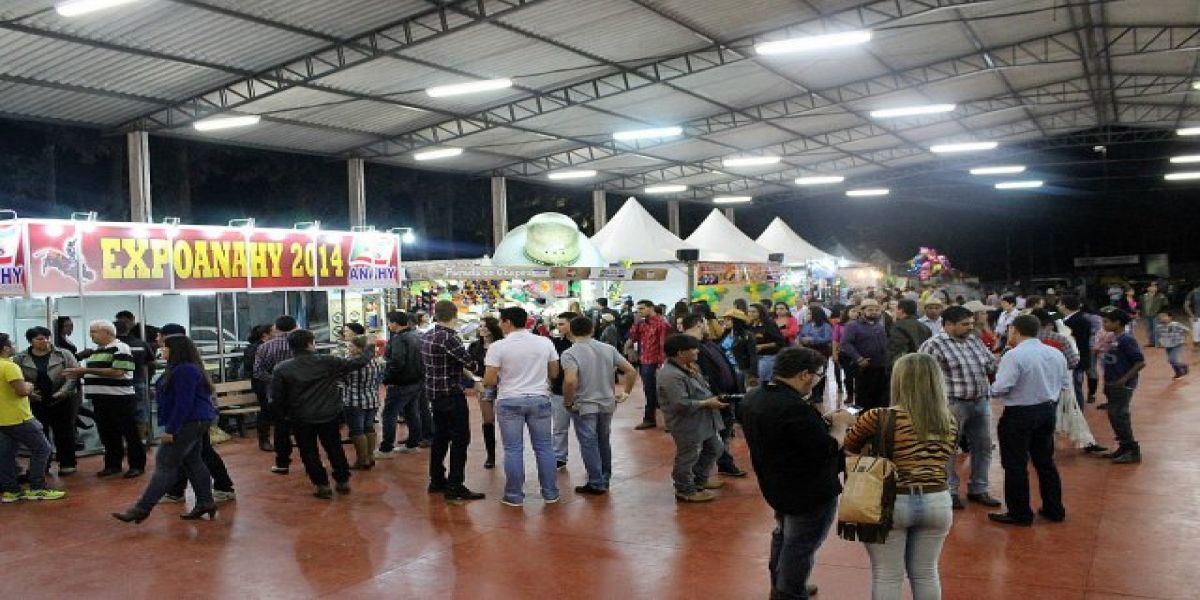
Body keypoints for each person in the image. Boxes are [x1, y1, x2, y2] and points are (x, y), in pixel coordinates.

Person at [845, 353, 958, 600]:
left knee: (887, 575)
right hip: (937, 500)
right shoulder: (948, 419)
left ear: (898, 381)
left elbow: (850, 445)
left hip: (890, 501)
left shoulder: (878, 416)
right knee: (926, 573)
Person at [740, 347, 851, 599]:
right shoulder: (794, 408)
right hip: (809, 490)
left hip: (776, 483)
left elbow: (789, 436)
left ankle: (781, 584)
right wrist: (841, 426)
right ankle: (789, 591)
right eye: (819, 375)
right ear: (804, 375)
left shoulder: (755, 397)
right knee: (801, 546)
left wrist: (820, 423)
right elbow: (827, 447)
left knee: (784, 535)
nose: (818, 381)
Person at [112, 334, 216, 523]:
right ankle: (205, 502)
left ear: (176, 350)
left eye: (165, 347)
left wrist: (171, 430)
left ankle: (141, 509)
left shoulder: (184, 370)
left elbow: (184, 403)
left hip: (189, 421)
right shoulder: (182, 367)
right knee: (193, 461)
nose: (161, 350)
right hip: (195, 420)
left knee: (165, 464)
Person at [987, 315, 1069, 526]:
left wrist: (988, 390)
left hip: (1019, 414)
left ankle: (1020, 513)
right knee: (1045, 462)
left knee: (1015, 464)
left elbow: (1002, 387)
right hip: (1047, 410)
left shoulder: (1014, 355)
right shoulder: (1055, 353)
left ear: (1015, 330)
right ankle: (1054, 509)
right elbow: (1064, 383)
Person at [918, 305, 1001, 510]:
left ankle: (979, 489)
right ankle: (950, 491)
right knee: (948, 448)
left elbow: (990, 365)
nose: (970, 327)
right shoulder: (933, 345)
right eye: (965, 324)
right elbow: (923, 377)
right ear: (948, 324)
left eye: (971, 323)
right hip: (952, 404)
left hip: (980, 402)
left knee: (982, 446)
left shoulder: (974, 341)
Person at [270, 329, 370, 499]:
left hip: (301, 417)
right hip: (329, 414)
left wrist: (285, 417)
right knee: (334, 447)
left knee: (308, 452)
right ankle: (342, 480)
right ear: (311, 343)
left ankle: (321, 485)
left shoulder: (282, 368)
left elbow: (277, 398)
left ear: (291, 346)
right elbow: (358, 362)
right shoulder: (328, 361)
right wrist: (370, 347)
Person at [484, 306, 560, 507]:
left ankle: (514, 495)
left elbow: (489, 379)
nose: (499, 325)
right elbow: (554, 372)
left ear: (508, 322)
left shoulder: (498, 346)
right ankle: (551, 493)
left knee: (513, 449)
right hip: (539, 399)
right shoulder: (545, 342)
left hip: (509, 400)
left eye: (501, 321)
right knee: (544, 447)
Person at [561, 316, 637, 495]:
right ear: (593, 330)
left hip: (584, 404)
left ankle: (595, 482)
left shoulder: (569, 353)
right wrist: (626, 392)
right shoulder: (608, 349)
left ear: (571, 331)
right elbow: (631, 370)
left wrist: (568, 401)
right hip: (607, 402)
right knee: (603, 440)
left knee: (588, 442)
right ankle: (605, 477)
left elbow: (570, 381)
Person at [421, 300, 485, 501]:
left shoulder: (427, 335)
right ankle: (455, 485)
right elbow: (471, 364)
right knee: (460, 439)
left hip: (435, 394)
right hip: (452, 394)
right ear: (455, 316)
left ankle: (436, 480)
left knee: (440, 438)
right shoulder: (449, 338)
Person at [63, 320, 144, 478]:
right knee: (107, 433)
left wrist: (85, 370)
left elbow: (118, 371)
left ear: (107, 333)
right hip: (101, 399)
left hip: (120, 398)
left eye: (94, 331)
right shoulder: (96, 350)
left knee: (130, 433)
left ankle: (137, 465)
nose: (91, 335)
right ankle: (113, 464)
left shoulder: (121, 347)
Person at [656, 333, 727, 503]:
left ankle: (700, 479)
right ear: (681, 353)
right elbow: (680, 404)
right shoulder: (671, 375)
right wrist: (706, 403)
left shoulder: (688, 367)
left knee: (715, 448)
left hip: (703, 419)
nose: (697, 351)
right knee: (688, 456)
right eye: (693, 349)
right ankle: (685, 489)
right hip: (687, 423)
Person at [0, 333, 67, 503]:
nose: (14, 345)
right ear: (6, 348)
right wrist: (29, 386)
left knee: (6, 454)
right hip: (18, 417)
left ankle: (11, 491)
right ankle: (37, 488)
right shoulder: (9, 366)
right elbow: (22, 391)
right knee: (42, 448)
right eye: (12, 343)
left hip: (2, 419)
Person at [682, 314, 748, 478]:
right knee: (712, 438)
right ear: (699, 324)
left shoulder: (708, 343)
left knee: (723, 433)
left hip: (725, 395)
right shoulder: (690, 346)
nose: (709, 326)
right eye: (706, 323)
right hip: (712, 398)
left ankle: (721, 465)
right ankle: (700, 475)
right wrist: (713, 395)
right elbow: (702, 375)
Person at [14, 327, 80, 476]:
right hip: (35, 400)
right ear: (31, 341)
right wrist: (30, 394)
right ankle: (43, 465)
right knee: (39, 434)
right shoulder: (20, 358)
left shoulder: (63, 354)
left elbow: (73, 374)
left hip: (61, 398)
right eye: (39, 339)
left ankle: (67, 463)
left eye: (46, 338)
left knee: (64, 432)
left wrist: (63, 392)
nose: (44, 341)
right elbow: (17, 380)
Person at [1098, 308, 1145, 464]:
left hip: (1122, 384)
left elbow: (1140, 362)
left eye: (1106, 321)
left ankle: (1132, 449)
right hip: (1111, 382)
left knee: (1120, 415)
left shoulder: (1126, 340)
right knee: (1114, 415)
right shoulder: (1113, 338)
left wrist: (1124, 379)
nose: (1104, 324)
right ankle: (1123, 446)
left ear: (1117, 322)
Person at [377, 311, 425, 458]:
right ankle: (412, 444)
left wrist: (386, 378)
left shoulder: (398, 339)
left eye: (389, 322)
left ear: (394, 323)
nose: (388, 325)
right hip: (416, 381)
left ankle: (386, 449)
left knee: (389, 414)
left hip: (400, 383)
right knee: (412, 413)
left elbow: (397, 362)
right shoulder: (416, 336)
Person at [254, 315, 298, 474]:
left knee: (281, 430)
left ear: (276, 328)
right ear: (295, 327)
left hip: (275, 394)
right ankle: (312, 463)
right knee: (304, 429)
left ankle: (282, 463)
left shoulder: (264, 347)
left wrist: (276, 381)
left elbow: (258, 372)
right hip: (301, 393)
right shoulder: (300, 344)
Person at [624, 299, 673, 430]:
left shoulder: (662, 324)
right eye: (638, 309)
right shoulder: (641, 323)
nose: (639, 311)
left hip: (656, 363)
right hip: (644, 361)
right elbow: (632, 337)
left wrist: (661, 365)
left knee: (663, 392)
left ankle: (670, 421)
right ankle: (650, 419)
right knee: (649, 392)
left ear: (651, 308)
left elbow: (663, 346)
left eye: (642, 308)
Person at [341, 335, 386, 470]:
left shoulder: (350, 362)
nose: (349, 349)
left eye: (351, 346)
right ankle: (370, 456)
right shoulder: (375, 362)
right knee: (369, 428)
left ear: (360, 348)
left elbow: (341, 379)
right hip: (372, 399)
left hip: (354, 401)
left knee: (357, 431)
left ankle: (362, 460)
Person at [467, 317, 502, 468]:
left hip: (504, 384)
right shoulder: (475, 346)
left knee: (506, 419)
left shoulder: (501, 344)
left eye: (485, 326)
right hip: (483, 384)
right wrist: (475, 380)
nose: (482, 329)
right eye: (480, 326)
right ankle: (491, 455)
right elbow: (467, 366)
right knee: (488, 420)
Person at [841, 299, 890, 410]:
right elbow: (845, 343)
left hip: (881, 367)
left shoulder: (879, 326)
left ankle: (877, 418)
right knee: (863, 398)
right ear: (862, 311)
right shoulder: (852, 325)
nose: (874, 312)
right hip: (864, 367)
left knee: (881, 397)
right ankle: (862, 419)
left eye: (877, 310)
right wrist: (859, 359)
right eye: (870, 310)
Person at [549, 312, 576, 470]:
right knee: (559, 427)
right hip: (559, 390)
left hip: (583, 392)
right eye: (557, 324)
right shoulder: (555, 344)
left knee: (587, 430)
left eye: (561, 324)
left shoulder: (586, 344)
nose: (558, 327)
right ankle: (559, 456)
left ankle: (593, 459)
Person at [242, 324, 273, 452]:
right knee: (265, 411)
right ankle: (264, 440)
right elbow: (250, 366)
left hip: (268, 383)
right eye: (273, 331)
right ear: (265, 334)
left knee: (271, 410)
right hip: (262, 384)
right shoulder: (254, 348)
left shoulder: (270, 345)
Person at [1058, 296, 1093, 410]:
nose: (1058, 306)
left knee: (1075, 386)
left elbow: (1079, 342)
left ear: (1065, 306)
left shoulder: (1078, 320)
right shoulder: (1073, 319)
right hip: (1076, 357)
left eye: (1060, 303)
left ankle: (1078, 410)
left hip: (1076, 357)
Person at [798, 307, 833, 404]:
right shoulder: (807, 325)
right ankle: (812, 394)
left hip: (821, 351)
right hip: (808, 351)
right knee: (810, 372)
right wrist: (802, 339)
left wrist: (812, 340)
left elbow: (827, 338)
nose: (807, 315)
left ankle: (819, 395)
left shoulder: (825, 326)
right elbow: (801, 335)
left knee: (820, 372)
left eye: (809, 313)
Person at [748, 303, 788, 383]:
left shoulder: (769, 324)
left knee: (762, 382)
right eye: (749, 311)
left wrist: (762, 346)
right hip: (754, 358)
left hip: (767, 357)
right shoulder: (750, 325)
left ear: (761, 313)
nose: (750, 314)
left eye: (753, 312)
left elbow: (780, 342)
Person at [719, 309, 758, 389]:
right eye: (724, 319)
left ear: (736, 321)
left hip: (743, 369)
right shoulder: (725, 334)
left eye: (728, 320)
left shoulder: (747, 335)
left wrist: (753, 373)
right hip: (728, 369)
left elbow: (753, 355)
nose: (725, 322)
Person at [889, 299, 932, 369]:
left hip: (906, 367)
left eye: (896, 309)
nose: (896, 312)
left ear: (901, 310)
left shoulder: (898, 327)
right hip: (923, 366)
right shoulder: (925, 327)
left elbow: (897, 350)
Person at [835, 305, 861, 405]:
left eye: (857, 312)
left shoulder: (861, 324)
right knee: (848, 376)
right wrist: (835, 354)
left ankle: (858, 395)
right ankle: (850, 395)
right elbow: (835, 340)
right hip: (845, 354)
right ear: (847, 312)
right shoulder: (840, 325)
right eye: (853, 311)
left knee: (859, 376)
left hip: (859, 354)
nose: (855, 313)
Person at [1157, 310, 1191, 380]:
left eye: (1164, 316)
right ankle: (1178, 372)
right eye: (1160, 317)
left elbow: (1187, 330)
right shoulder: (1159, 327)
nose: (1162, 318)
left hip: (1177, 344)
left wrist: (1186, 339)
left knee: (1172, 359)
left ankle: (1182, 369)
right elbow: (1160, 336)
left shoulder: (1175, 324)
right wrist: (1160, 342)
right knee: (1172, 361)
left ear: (1170, 317)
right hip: (1167, 345)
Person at [1140, 283, 1166, 347]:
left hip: (1156, 314)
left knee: (1157, 328)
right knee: (1149, 329)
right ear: (1148, 288)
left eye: (1155, 286)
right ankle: (1151, 342)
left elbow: (1165, 304)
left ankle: (1159, 342)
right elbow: (1140, 305)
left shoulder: (1161, 295)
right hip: (1147, 314)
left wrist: (1162, 312)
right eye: (1152, 286)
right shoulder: (1143, 296)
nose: (1154, 288)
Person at [1185, 284, 1200, 350]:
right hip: (1196, 317)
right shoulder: (1192, 293)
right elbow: (1186, 306)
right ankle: (1196, 347)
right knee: (1196, 336)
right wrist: (1192, 316)